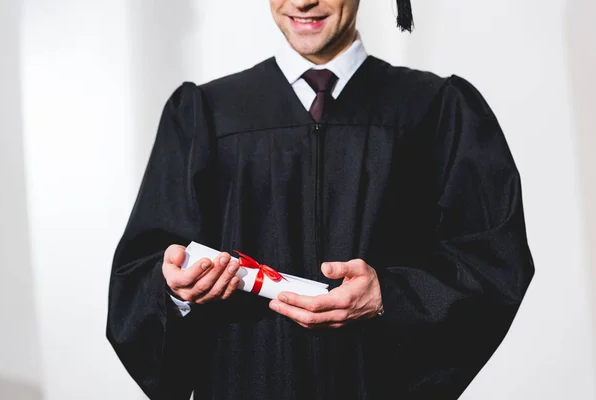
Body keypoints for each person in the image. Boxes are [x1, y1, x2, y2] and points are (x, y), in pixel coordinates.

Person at [106, 0, 535, 399]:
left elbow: (493, 260)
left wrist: (393, 296)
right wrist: (176, 292)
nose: (304, 0)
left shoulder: (437, 109)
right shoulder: (204, 113)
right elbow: (142, 267)